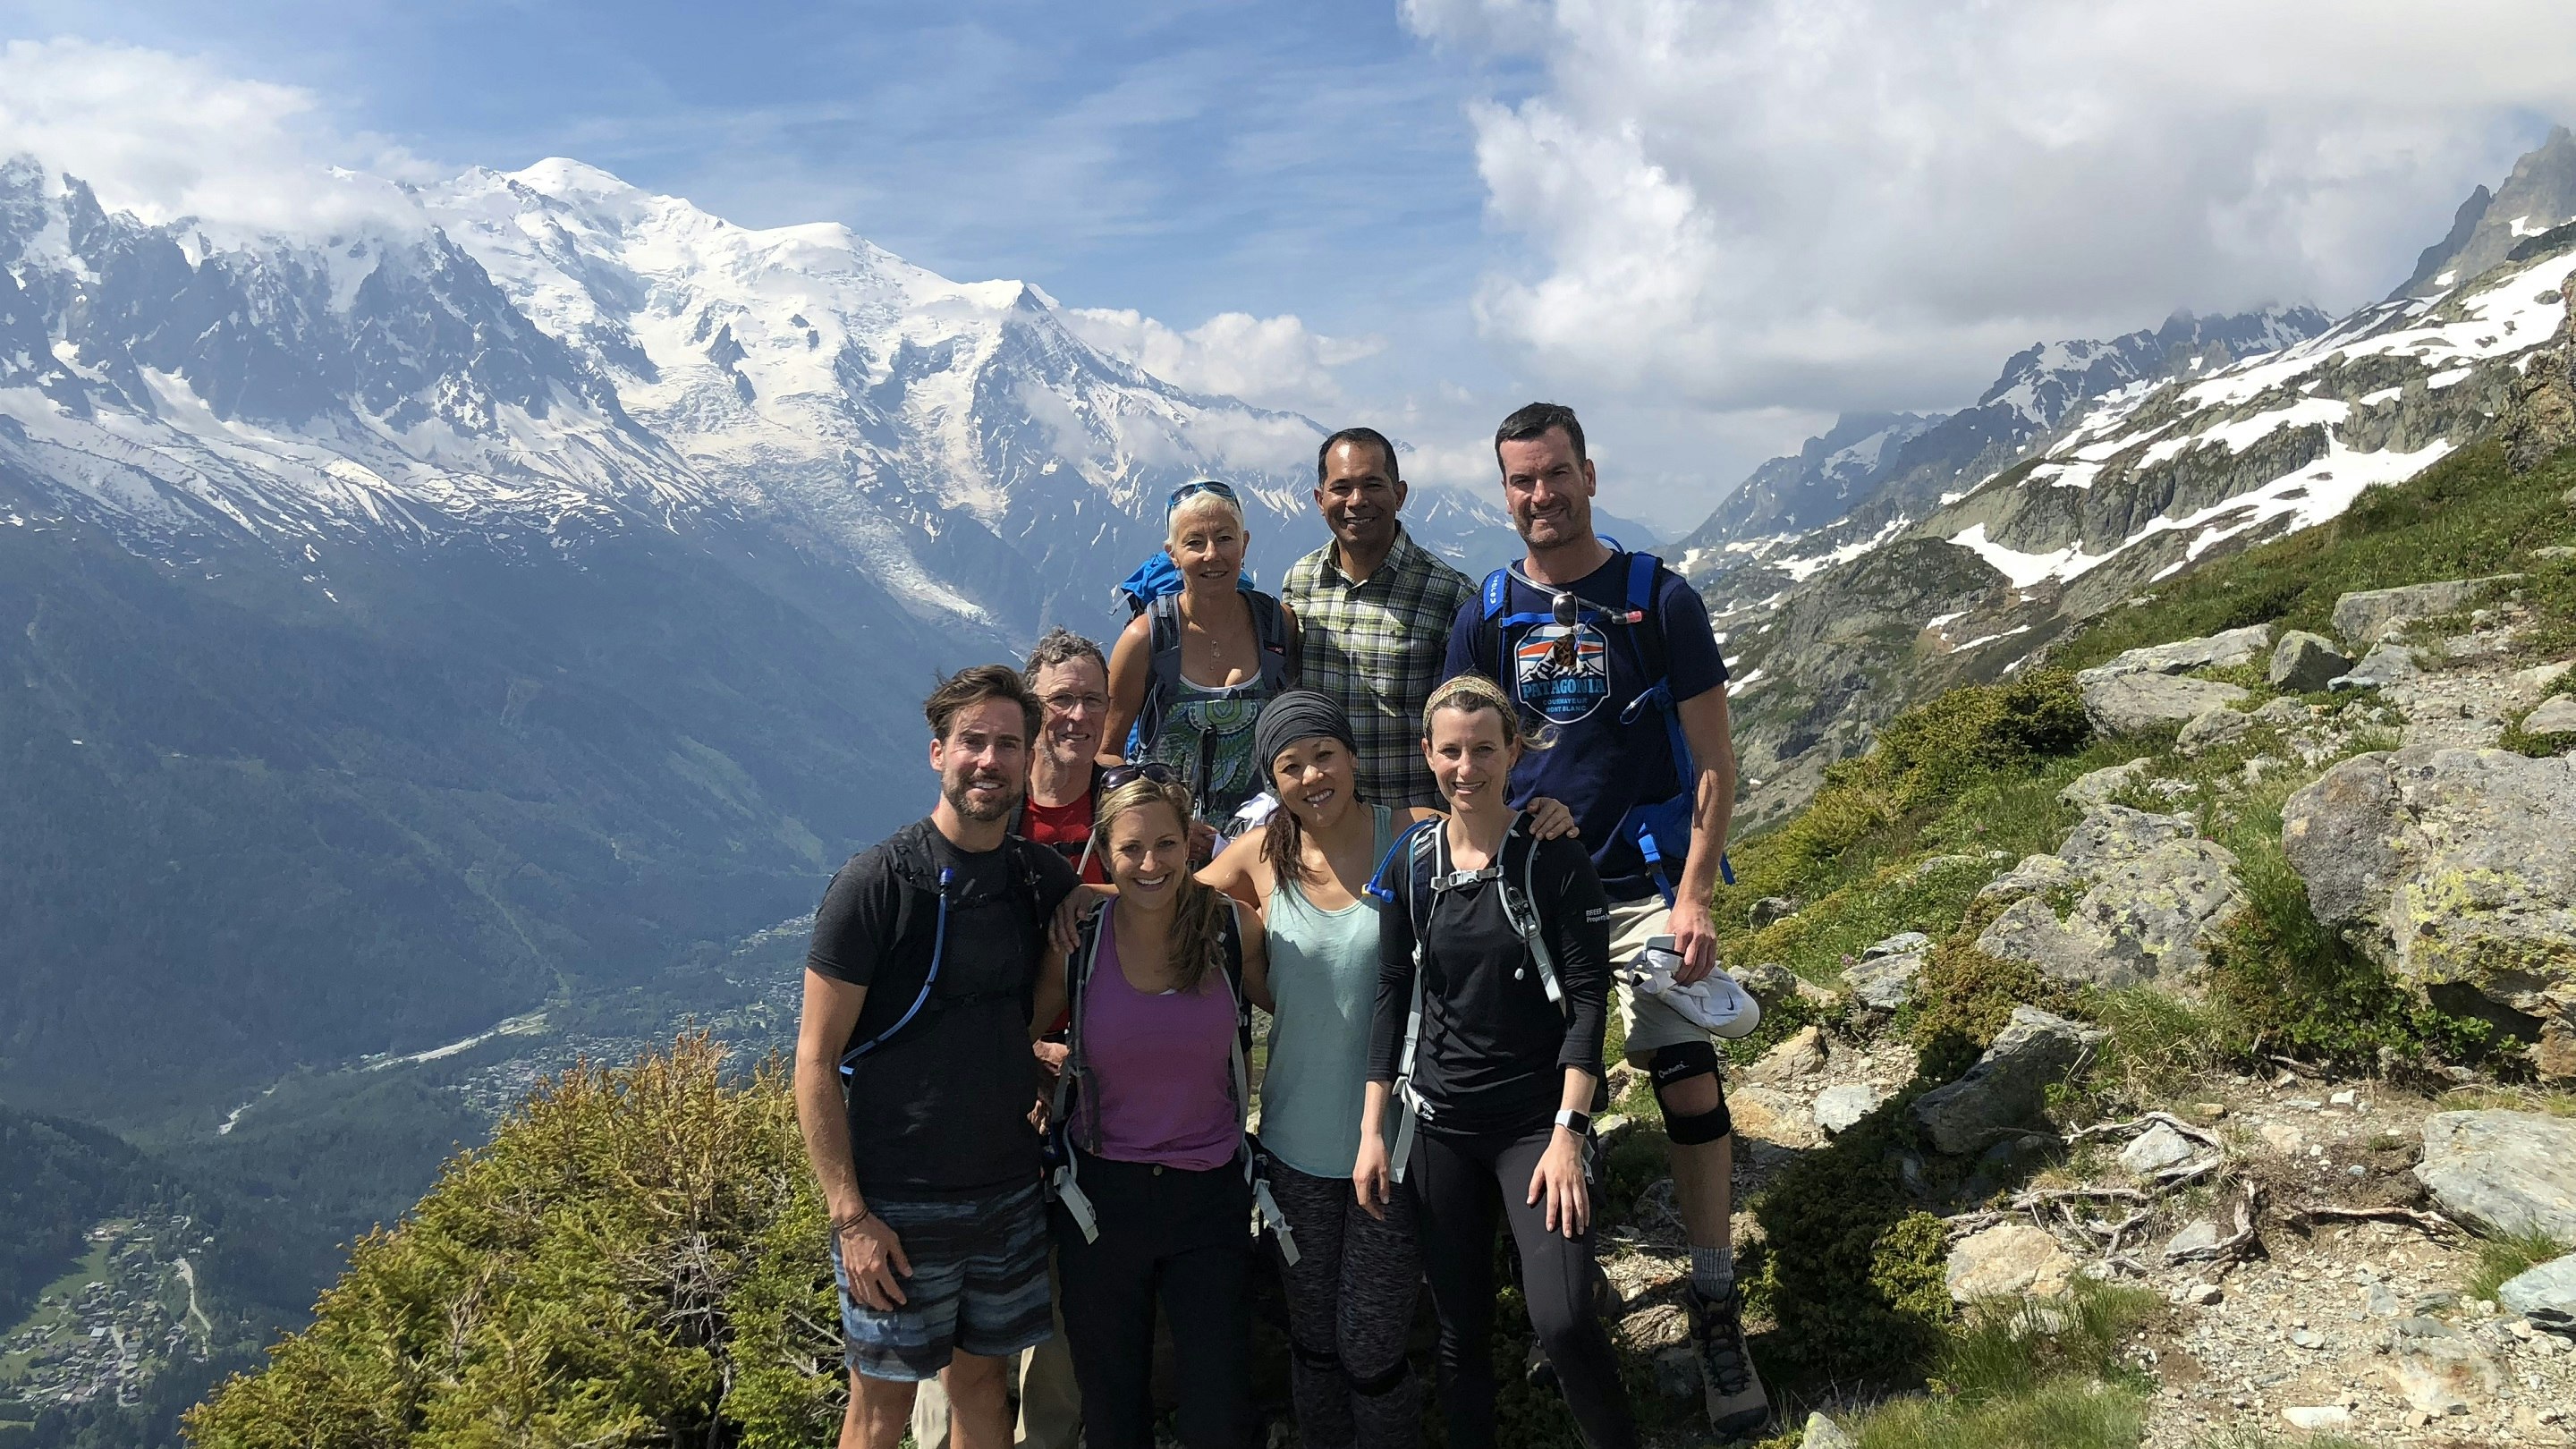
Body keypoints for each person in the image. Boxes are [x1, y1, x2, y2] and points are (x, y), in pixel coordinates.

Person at [1437, 402, 1766, 1436]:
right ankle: (1561, 1303)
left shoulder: (1655, 598)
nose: (1542, 495)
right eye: (1522, 482)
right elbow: (1457, 755)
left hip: (1642, 885)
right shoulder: (1489, 609)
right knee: (1527, 1090)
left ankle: (1714, 1297)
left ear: (1589, 472)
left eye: (1556, 474)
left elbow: (1715, 761)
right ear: (1506, 492)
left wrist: (1698, 895)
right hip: (1527, 893)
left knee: (1682, 1062)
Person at [793, 665, 1084, 1449]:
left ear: (1029, 761)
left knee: (986, 1393)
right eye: (973, 743)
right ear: (937, 753)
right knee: (879, 1411)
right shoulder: (875, 886)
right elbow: (815, 1062)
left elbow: (1127, 901)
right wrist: (850, 1216)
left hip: (1006, 1189)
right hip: (897, 1203)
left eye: (1007, 746)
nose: (989, 761)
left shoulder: (1037, 876)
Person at [1353, 674, 1633, 1449]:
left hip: (1533, 1129)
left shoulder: (1552, 854)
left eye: (1484, 748)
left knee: (1565, 1318)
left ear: (1515, 750)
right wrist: (1375, 1131)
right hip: (1438, 1128)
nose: (1466, 766)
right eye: (1451, 751)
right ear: (1427, 756)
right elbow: (1392, 993)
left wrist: (1570, 1136)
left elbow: (1587, 1001)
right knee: (1459, 1331)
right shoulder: (1410, 861)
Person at [1199, 692, 1423, 1449]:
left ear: (1354, 757)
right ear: (1273, 778)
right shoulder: (1262, 851)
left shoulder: (1414, 835)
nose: (1312, 775)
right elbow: (1161, 901)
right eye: (1289, 765)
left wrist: (1547, 816)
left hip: (1395, 1144)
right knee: (1316, 1339)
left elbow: (1502, 841)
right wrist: (1068, 901)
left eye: (1324, 754)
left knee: (1370, 1345)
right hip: (1293, 1143)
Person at [1030, 773, 1269, 1449]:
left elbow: (1302, 1003)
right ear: (1104, 848)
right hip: (1100, 1201)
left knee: (1219, 1415)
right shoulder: (1077, 942)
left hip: (1211, 1197)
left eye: (1167, 844)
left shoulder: (1230, 930)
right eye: (1131, 848)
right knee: (1111, 1415)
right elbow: (1018, 1034)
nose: (1150, 863)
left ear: (1191, 843)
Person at [1279, 428, 1477, 811]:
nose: (1357, 501)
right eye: (1341, 488)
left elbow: (1472, 722)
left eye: (1372, 484)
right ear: (1320, 500)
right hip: (1323, 827)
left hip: (1416, 826)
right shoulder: (1299, 583)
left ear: (1399, 495)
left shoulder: (1449, 593)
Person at [1103, 479, 1299, 828]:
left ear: (1245, 544)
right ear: (1172, 554)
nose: (1212, 554)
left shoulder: (1277, 626)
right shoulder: (1145, 640)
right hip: (1167, 844)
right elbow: (1108, 754)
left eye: (1225, 538)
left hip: (1259, 842)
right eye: (1194, 542)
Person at [1014, 627, 1114, 884]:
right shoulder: (993, 804)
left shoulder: (1128, 807)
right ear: (1031, 710)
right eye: (1061, 699)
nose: (1079, 715)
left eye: (1093, 700)